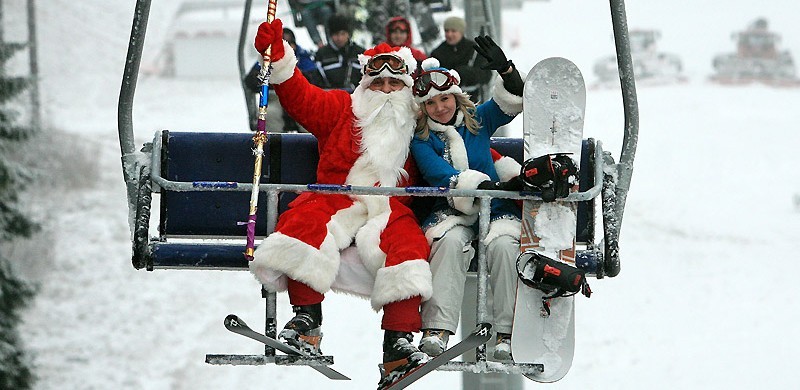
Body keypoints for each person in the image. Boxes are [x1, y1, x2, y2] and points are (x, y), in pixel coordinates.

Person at [250, 18, 433, 386]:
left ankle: (397, 346)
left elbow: (464, 142)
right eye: (377, 83)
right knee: (304, 223)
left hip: (390, 207)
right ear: (365, 84)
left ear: (407, 87)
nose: (385, 90)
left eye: (394, 83)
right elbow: (301, 97)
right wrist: (280, 55)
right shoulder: (340, 108)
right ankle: (306, 323)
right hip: (336, 197)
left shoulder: (421, 120)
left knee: (408, 246)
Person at [409, 36, 526, 362]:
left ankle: (509, 330)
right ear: (423, 108)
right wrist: (486, 184)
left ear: (456, 97)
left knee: (505, 248)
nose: (440, 108)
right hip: (453, 211)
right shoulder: (422, 139)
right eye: (431, 103)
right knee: (448, 244)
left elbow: (512, 102)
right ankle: (437, 328)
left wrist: (506, 71)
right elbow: (438, 174)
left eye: (445, 98)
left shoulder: (477, 121)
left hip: (496, 210)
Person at [244, 27, 316, 132]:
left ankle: (307, 140)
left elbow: (314, 77)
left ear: (294, 46)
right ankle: (274, 141)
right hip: (275, 99)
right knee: (268, 114)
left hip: (300, 99)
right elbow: (250, 80)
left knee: (309, 114)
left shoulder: (302, 57)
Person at [430, 16, 491, 103]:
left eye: (453, 31)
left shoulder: (475, 50)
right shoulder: (437, 53)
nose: (449, 34)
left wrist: (466, 73)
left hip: (473, 100)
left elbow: (486, 75)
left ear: (461, 32)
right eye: (447, 31)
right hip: (446, 101)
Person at [306, 13, 365, 91]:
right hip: (330, 95)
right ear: (331, 35)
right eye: (336, 34)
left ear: (348, 34)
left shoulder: (360, 53)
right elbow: (316, 80)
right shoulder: (321, 55)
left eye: (343, 34)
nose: (340, 38)